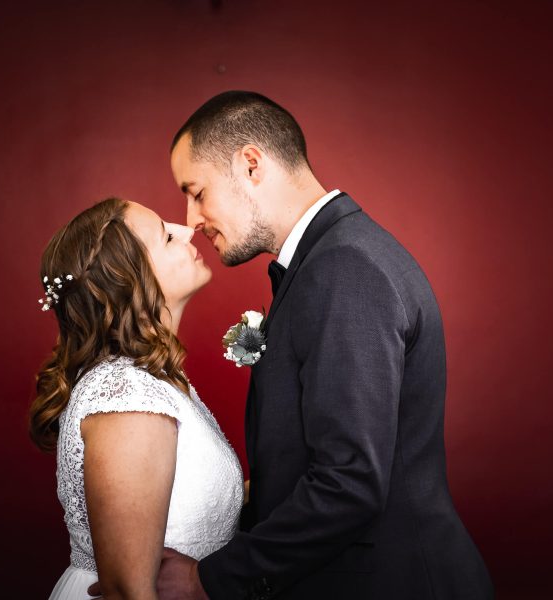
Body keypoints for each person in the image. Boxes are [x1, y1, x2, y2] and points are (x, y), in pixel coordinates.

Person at [145, 91, 495, 599]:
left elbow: (349, 483)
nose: (192, 217)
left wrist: (211, 580)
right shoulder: (333, 257)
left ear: (250, 165)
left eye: (197, 191)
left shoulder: (343, 267)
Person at [29, 197, 244, 600]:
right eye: (165, 235)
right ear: (130, 280)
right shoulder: (129, 397)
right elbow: (129, 591)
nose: (185, 230)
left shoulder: (152, 382)